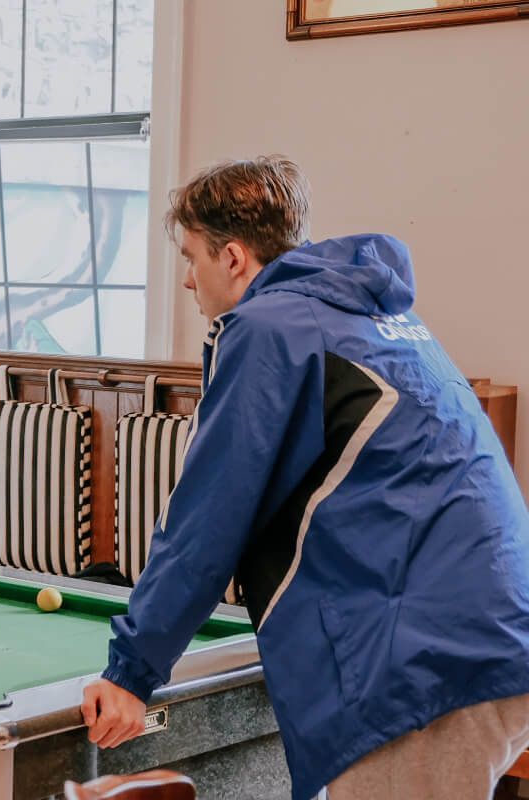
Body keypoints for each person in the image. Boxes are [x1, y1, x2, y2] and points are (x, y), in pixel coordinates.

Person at [79, 156, 529, 800]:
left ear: (232, 257)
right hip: (491, 630)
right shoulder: (368, 314)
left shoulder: (270, 328)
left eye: (191, 257)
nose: (187, 280)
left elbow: (208, 517)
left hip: (422, 662)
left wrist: (131, 672)